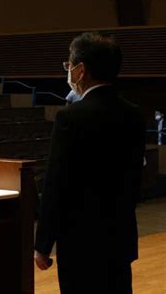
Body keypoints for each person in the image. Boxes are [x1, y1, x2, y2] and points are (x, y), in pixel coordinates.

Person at [34, 32, 145, 293]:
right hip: (120, 237)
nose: (69, 71)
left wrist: (43, 244)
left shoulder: (70, 118)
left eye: (69, 66)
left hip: (81, 241)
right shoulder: (134, 115)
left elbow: (56, 184)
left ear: (81, 70)